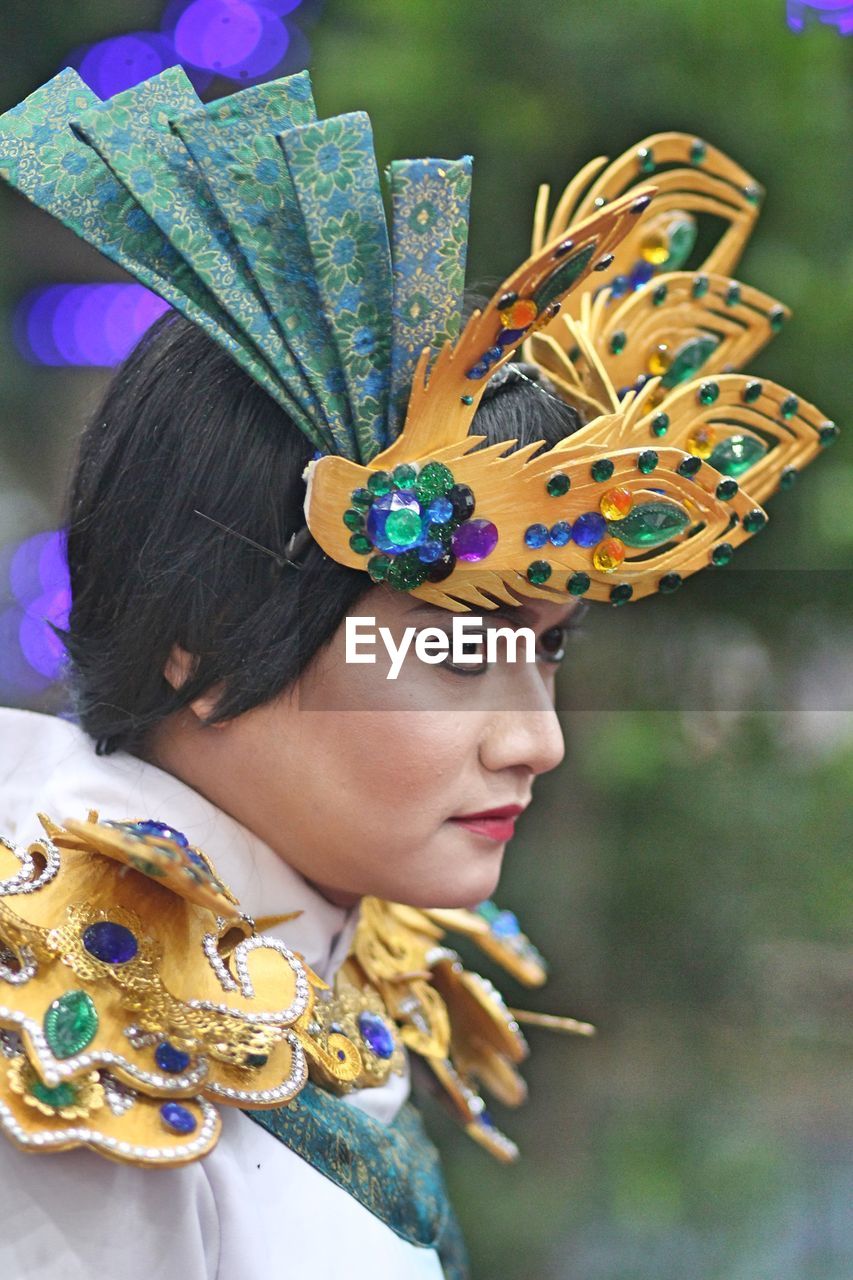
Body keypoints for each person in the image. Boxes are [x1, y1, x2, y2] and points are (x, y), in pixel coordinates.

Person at [0, 63, 834, 1280]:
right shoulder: (56, 1027)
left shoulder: (320, 938)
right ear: (201, 635)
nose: (537, 738)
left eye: (545, 650)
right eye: (453, 645)